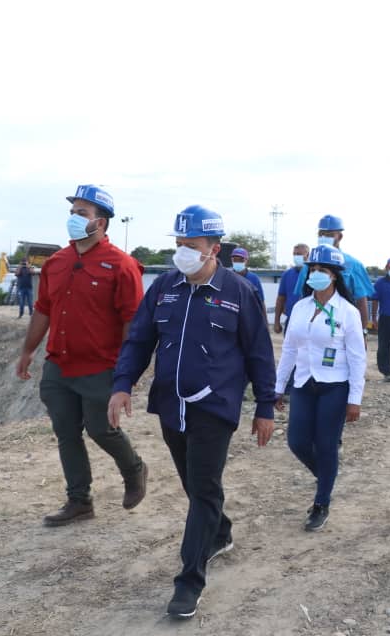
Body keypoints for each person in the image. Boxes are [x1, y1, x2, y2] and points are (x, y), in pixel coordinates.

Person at [108, 205, 276, 620]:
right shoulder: (164, 287)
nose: (182, 251)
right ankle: (220, 531)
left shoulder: (239, 292)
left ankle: (189, 582)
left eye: (192, 245)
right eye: (179, 243)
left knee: (202, 489)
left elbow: (259, 352)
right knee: (195, 484)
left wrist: (265, 407)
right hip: (171, 405)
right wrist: (122, 384)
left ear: (214, 249)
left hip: (214, 407)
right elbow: (139, 340)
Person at [15, 184, 147, 528]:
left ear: (100, 222)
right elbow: (43, 309)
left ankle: (134, 469)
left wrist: (125, 372)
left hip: (100, 367)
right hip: (59, 366)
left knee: (102, 430)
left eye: (81, 213)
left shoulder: (121, 265)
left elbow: (132, 321)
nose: (73, 218)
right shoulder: (57, 262)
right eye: (72, 212)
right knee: (66, 432)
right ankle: (79, 501)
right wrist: (28, 350)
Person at [275, 244, 366, 532]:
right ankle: (327, 477)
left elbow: (358, 357)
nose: (315, 274)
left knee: (326, 445)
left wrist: (355, 399)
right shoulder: (300, 308)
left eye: (322, 270)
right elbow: (289, 349)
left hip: (334, 386)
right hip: (303, 383)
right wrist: (278, 386)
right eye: (312, 269)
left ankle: (321, 502)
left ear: (334, 275)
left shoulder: (348, 312)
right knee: (297, 442)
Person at [294, 215, 374, 336]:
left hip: (344, 324)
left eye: (329, 234)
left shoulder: (353, 265)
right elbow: (303, 296)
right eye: (321, 234)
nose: (323, 238)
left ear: (340, 236)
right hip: (313, 323)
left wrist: (362, 332)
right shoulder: (309, 265)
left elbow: (361, 301)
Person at [274, 243, 309, 334]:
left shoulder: (313, 274)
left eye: (299, 254)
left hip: (309, 321)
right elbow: (281, 298)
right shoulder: (287, 274)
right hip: (291, 320)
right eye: (294, 254)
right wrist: (276, 321)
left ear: (307, 255)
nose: (296, 257)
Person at [231, 247, 266, 318]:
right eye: (235, 260)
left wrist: (265, 321)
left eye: (241, 260)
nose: (237, 262)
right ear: (232, 260)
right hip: (232, 317)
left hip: (249, 317)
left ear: (246, 260)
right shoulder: (227, 277)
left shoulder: (254, 278)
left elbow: (261, 301)